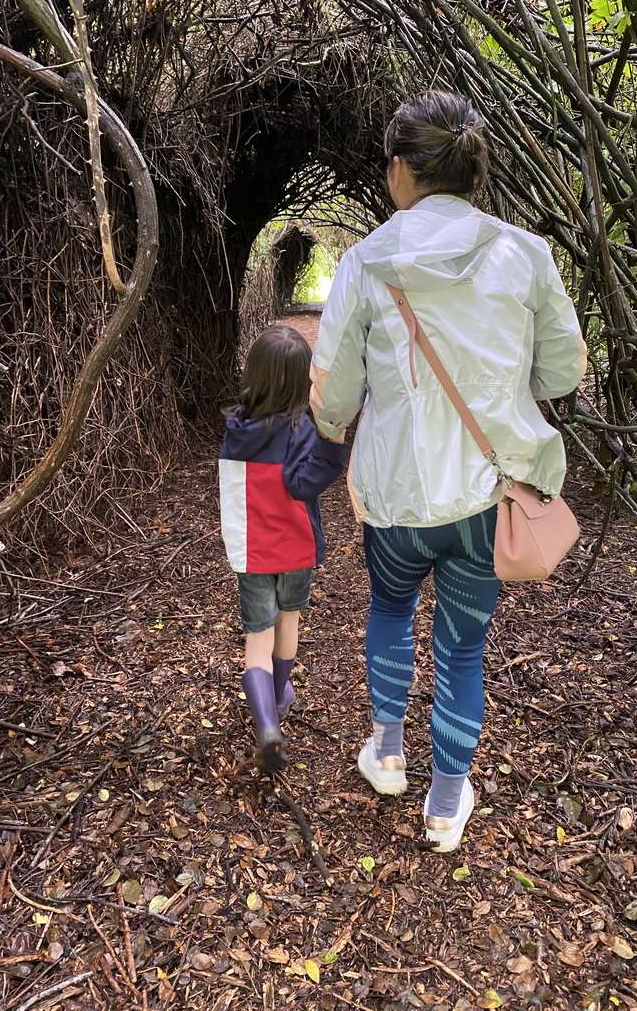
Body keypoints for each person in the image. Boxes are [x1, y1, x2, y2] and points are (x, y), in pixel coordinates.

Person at [310, 91, 586, 852]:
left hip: (396, 497)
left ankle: (389, 751)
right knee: (465, 646)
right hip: (484, 496)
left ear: (399, 169)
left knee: (392, 611)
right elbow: (562, 370)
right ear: (473, 171)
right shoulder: (526, 254)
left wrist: (332, 429)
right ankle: (445, 800)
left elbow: (333, 392)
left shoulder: (368, 260)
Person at [220, 323, 349, 771]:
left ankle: (267, 725)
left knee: (256, 639)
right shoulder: (301, 429)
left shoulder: (237, 427)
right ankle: (278, 698)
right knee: (287, 621)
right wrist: (334, 447)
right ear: (301, 381)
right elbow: (304, 481)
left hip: (252, 549)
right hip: (295, 548)